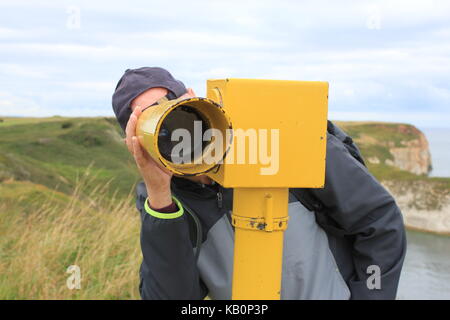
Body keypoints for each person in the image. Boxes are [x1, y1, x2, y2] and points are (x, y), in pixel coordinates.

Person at [112, 67, 407, 300]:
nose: (172, 127)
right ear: (132, 140)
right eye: (145, 120)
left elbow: (379, 221)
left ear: (190, 96)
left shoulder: (282, 140)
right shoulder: (162, 201)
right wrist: (160, 194)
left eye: (170, 106)